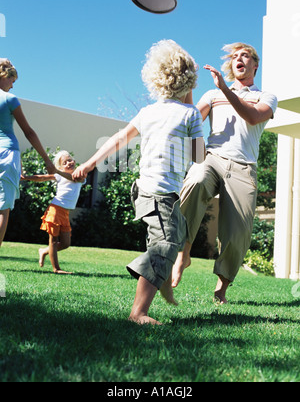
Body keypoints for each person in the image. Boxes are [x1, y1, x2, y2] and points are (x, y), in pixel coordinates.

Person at [73, 39, 205, 325]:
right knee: (165, 243)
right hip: (161, 191)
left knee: (177, 234)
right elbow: (199, 157)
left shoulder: (148, 112)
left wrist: (88, 163)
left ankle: (164, 281)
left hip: (144, 190)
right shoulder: (190, 113)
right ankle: (138, 313)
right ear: (189, 81)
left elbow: (119, 139)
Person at [172, 42, 278, 304]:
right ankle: (183, 253)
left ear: (255, 64)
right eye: (234, 56)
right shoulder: (213, 93)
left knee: (237, 234)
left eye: (245, 56)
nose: (238, 59)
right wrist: (190, 86)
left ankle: (221, 287)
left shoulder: (266, 97)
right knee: (195, 180)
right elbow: (192, 120)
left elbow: (252, 117)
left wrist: (225, 91)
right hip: (212, 157)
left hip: (244, 167)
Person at [0, 60, 55, 246]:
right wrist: (47, 159)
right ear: (4, 76)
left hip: (8, 156)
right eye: (12, 80)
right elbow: (28, 132)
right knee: (2, 209)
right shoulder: (10, 99)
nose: (12, 85)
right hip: (7, 154)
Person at [22, 151, 85, 274]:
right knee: (53, 241)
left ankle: (44, 251)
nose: (69, 163)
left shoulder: (80, 175)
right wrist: (26, 177)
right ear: (61, 167)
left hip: (65, 213)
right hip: (55, 209)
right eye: (65, 162)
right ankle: (56, 269)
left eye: (70, 160)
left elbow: (74, 178)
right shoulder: (59, 175)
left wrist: (57, 171)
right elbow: (42, 178)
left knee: (66, 243)